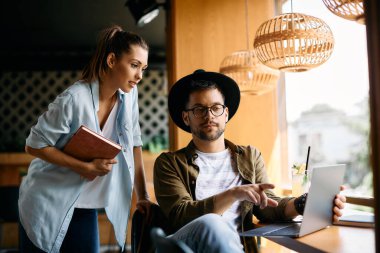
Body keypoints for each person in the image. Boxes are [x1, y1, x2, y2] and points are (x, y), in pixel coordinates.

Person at [153, 69, 346, 253]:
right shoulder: (169, 163)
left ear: (226, 113)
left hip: (236, 246)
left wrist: (304, 203)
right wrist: (233, 194)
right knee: (211, 222)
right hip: (185, 246)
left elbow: (268, 206)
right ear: (186, 117)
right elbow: (180, 216)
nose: (209, 115)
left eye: (216, 108)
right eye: (199, 109)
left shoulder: (249, 157)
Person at [19, 25, 153, 253]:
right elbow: (33, 145)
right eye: (134, 65)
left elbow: (135, 143)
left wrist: (143, 196)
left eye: (144, 68)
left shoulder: (129, 96)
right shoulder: (73, 99)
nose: (140, 76)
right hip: (46, 202)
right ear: (111, 61)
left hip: (85, 205)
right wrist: (85, 166)